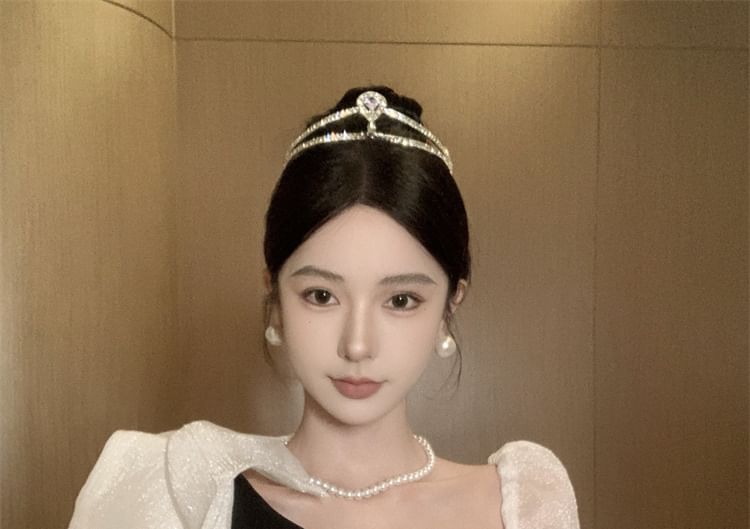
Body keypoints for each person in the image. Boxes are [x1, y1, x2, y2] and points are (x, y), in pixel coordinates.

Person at [68, 86, 579, 529]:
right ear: (275, 299)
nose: (357, 345)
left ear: (449, 306)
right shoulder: (177, 495)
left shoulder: (522, 508)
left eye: (401, 300)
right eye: (321, 295)